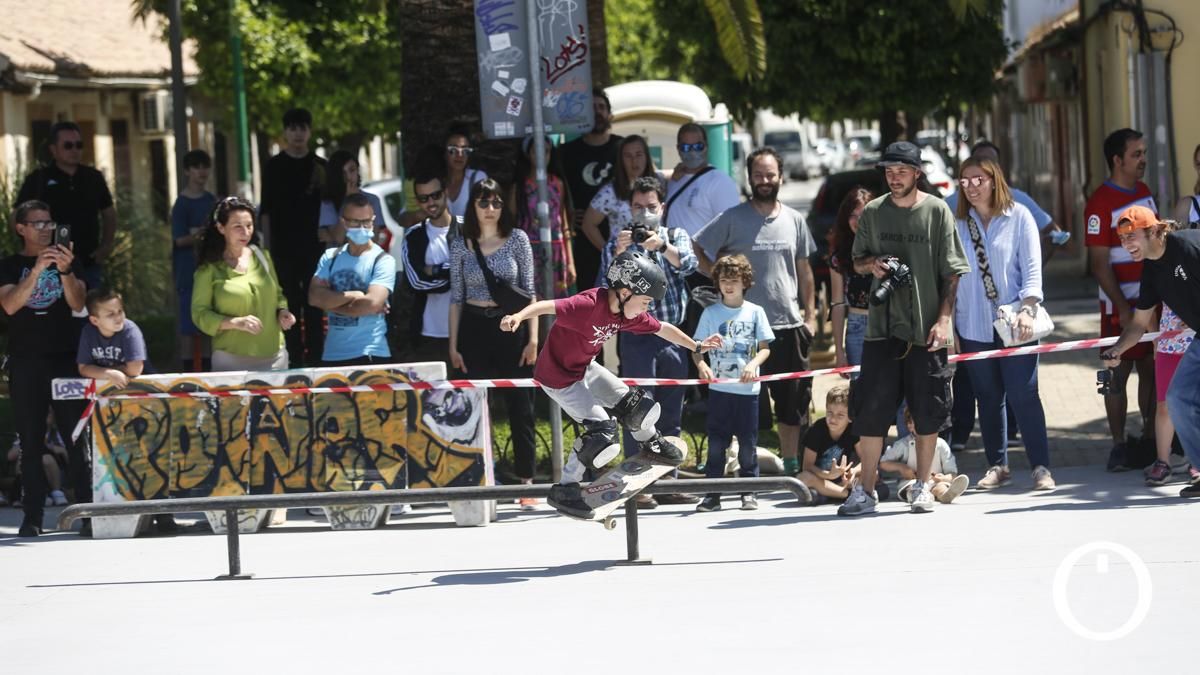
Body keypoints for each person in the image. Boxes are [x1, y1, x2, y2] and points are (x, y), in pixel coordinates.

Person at [500, 250, 722, 517]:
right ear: (626, 291)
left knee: (636, 406)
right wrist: (517, 317)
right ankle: (567, 487)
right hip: (558, 379)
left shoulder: (627, 314)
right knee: (602, 432)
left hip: (585, 368)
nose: (647, 307)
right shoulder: (587, 305)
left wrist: (696, 345)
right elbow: (547, 305)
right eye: (646, 301)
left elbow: (663, 327)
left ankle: (652, 444)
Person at [839, 141, 971, 517]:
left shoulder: (936, 212)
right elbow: (858, 261)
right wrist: (874, 265)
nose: (894, 177)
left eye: (902, 170)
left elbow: (952, 272)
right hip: (881, 328)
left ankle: (923, 486)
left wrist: (944, 320)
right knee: (872, 411)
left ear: (917, 173)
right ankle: (865, 491)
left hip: (926, 328)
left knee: (927, 409)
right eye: (889, 171)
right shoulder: (874, 212)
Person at [694, 147, 817, 477]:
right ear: (749, 178)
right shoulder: (733, 218)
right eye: (758, 175)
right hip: (741, 328)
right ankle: (740, 464)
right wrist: (718, 278)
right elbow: (697, 245)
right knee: (739, 403)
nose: (765, 180)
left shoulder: (795, 219)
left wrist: (811, 316)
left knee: (792, 404)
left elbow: (805, 270)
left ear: (780, 176)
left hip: (788, 325)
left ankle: (790, 464)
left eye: (770, 174)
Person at [953, 158, 1055, 491]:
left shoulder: (1019, 217)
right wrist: (950, 325)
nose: (971, 186)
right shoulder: (957, 224)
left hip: (1015, 324)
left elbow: (1032, 269)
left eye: (977, 179)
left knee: (1023, 393)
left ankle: (1041, 466)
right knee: (987, 395)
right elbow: (950, 278)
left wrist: (1028, 309)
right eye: (965, 181)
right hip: (972, 324)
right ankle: (998, 465)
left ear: (994, 180)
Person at [598, 176, 698, 507]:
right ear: (629, 209)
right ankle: (635, 488)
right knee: (637, 411)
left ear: (662, 208)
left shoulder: (676, 235)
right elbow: (604, 286)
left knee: (671, 411)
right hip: (636, 336)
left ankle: (668, 482)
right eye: (638, 207)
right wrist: (621, 252)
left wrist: (661, 247)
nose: (644, 214)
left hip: (672, 334)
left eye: (651, 207)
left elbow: (690, 264)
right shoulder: (619, 241)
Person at [0, 200, 91, 537]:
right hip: (26, 362)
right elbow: (10, 305)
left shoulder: (68, 259)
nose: (44, 228)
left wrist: (65, 271)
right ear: (20, 228)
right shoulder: (9, 266)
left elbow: (79, 303)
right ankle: (33, 516)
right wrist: (37, 270)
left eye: (48, 222)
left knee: (75, 438)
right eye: (36, 223)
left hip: (65, 359)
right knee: (31, 441)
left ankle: (87, 510)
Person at [448, 179, 539, 507]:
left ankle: (526, 482)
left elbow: (530, 291)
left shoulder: (517, 239)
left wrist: (533, 339)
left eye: (496, 203)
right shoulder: (462, 243)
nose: (490, 209)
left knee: (521, 407)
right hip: (473, 326)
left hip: (511, 327)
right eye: (483, 202)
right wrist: (453, 345)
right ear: (472, 205)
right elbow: (456, 296)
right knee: (474, 406)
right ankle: (480, 475)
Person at [1101, 205, 1200, 498]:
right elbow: (1139, 324)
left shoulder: (1188, 246)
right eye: (1121, 238)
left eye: (1132, 235)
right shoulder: (1152, 270)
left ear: (1155, 231)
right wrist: (1117, 349)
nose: (1126, 244)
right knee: (1178, 398)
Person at [75, 288, 178, 531]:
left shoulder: (130, 329)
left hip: (144, 401)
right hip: (109, 406)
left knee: (151, 454)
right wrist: (107, 373)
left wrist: (109, 371)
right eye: (110, 313)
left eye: (120, 311)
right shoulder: (88, 333)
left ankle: (163, 514)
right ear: (95, 320)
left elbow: (135, 369)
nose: (118, 317)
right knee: (109, 457)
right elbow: (83, 367)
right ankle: (106, 513)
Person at [1085, 128, 1157, 472]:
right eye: (1136, 154)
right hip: (1119, 307)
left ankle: (1150, 438)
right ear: (1117, 160)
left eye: (1143, 153)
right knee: (1115, 373)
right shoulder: (1100, 202)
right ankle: (1118, 446)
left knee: (1151, 370)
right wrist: (1126, 309)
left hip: (1151, 302)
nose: (1143, 160)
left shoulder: (1144, 192)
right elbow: (1099, 265)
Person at [692, 254, 774, 512]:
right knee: (717, 444)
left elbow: (765, 348)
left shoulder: (755, 312)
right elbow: (696, 347)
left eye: (734, 280)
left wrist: (753, 365)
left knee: (748, 444)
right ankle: (712, 494)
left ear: (745, 282)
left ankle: (749, 491)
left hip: (748, 392)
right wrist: (701, 364)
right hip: (719, 391)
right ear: (717, 283)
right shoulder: (710, 313)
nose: (729, 285)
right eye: (724, 280)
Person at [192, 197, 296, 372]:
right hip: (230, 360)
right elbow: (199, 314)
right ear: (220, 228)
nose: (246, 232)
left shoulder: (263, 257)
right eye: (237, 226)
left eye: (249, 225)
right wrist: (234, 322)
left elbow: (278, 295)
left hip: (274, 357)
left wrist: (283, 312)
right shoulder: (208, 268)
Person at [260, 107, 326, 367]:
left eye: (302, 127)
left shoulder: (321, 167)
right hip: (283, 248)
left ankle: (318, 361)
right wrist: (267, 250)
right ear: (285, 132)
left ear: (309, 131)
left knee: (314, 304)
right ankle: (294, 360)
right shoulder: (274, 167)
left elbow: (331, 209)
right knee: (288, 304)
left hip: (315, 247)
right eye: (292, 128)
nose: (298, 133)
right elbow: (265, 210)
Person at [16, 121, 117, 289]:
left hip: (88, 262)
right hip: (49, 262)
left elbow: (109, 214)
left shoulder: (93, 177)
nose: (74, 150)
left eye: (78, 145)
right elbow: (18, 216)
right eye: (68, 145)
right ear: (54, 149)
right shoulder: (38, 179)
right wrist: (31, 250)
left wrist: (105, 247)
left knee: (91, 311)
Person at [309, 193, 396, 367]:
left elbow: (371, 304)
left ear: (373, 220)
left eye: (367, 222)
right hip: (332, 355)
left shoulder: (383, 260)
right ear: (344, 222)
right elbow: (314, 297)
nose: (362, 227)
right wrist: (353, 295)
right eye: (356, 222)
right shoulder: (330, 256)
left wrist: (331, 304)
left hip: (370, 353)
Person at [945, 140, 1068, 264]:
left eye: (989, 162)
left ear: (997, 168)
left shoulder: (1019, 202)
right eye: (979, 162)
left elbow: (1054, 233)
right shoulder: (950, 204)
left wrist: (1034, 266)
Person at [560, 88, 623, 291]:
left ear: (610, 114)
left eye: (601, 107)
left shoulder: (622, 148)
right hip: (583, 240)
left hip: (619, 237)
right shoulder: (565, 153)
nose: (597, 112)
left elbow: (645, 179)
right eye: (591, 107)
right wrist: (568, 216)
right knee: (590, 297)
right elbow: (556, 194)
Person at [579, 134, 660, 284]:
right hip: (621, 263)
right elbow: (588, 224)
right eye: (628, 156)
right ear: (620, 160)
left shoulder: (659, 184)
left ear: (647, 157)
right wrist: (608, 250)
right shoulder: (611, 191)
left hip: (655, 260)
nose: (634, 161)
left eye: (638, 155)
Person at [400, 171, 458, 364]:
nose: (431, 202)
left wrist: (433, 270)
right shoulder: (413, 236)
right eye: (424, 198)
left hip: (468, 330)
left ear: (446, 192)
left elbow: (475, 274)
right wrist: (454, 276)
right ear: (417, 201)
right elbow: (415, 282)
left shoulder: (468, 230)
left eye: (435, 195)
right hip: (428, 334)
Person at [513, 134, 576, 299]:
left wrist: (570, 262)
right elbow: (511, 226)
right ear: (528, 153)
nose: (542, 156)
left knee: (557, 306)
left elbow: (564, 225)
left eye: (546, 151)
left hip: (556, 250)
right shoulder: (519, 187)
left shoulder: (557, 184)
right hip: (528, 251)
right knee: (533, 304)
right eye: (536, 151)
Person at [170, 149, 216, 370]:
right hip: (187, 272)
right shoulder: (181, 204)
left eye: (205, 166)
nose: (202, 172)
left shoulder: (211, 200)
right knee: (188, 329)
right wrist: (202, 233)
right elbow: (180, 239)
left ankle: (208, 372)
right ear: (187, 171)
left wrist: (199, 232)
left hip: (210, 269)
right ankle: (188, 375)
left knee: (208, 325)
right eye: (196, 167)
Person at [665, 123, 741, 241]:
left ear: (706, 146)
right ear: (678, 149)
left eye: (698, 146)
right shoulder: (674, 180)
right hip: (670, 257)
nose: (692, 152)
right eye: (686, 147)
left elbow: (732, 231)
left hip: (703, 259)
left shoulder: (719, 182)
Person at [830, 187, 876, 379]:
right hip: (857, 326)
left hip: (890, 325)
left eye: (864, 214)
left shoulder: (888, 247)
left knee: (895, 396)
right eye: (853, 215)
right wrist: (839, 351)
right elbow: (838, 304)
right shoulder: (839, 257)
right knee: (862, 395)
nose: (858, 221)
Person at [881, 409, 969, 504]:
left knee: (940, 487)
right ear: (909, 425)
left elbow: (952, 473)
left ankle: (945, 495)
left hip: (934, 482)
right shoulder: (902, 444)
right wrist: (901, 467)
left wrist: (944, 478)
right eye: (920, 423)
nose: (925, 427)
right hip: (911, 482)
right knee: (910, 489)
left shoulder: (941, 444)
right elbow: (883, 463)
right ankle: (917, 495)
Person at [796, 385, 860, 504]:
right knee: (803, 478)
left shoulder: (854, 430)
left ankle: (830, 494)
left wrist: (854, 471)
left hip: (843, 479)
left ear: (850, 417)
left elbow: (865, 460)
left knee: (874, 474)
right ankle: (846, 494)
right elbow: (807, 466)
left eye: (840, 415)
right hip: (820, 478)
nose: (833, 419)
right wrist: (829, 475)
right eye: (829, 412)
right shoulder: (816, 430)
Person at [318, 149, 386, 246]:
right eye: (343, 172)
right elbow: (338, 238)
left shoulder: (372, 200)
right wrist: (349, 200)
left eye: (352, 170)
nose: (348, 177)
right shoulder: (328, 203)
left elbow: (373, 238)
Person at [444, 125, 489, 220]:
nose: (459, 155)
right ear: (444, 152)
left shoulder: (478, 179)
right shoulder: (436, 182)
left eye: (465, 150)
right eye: (453, 149)